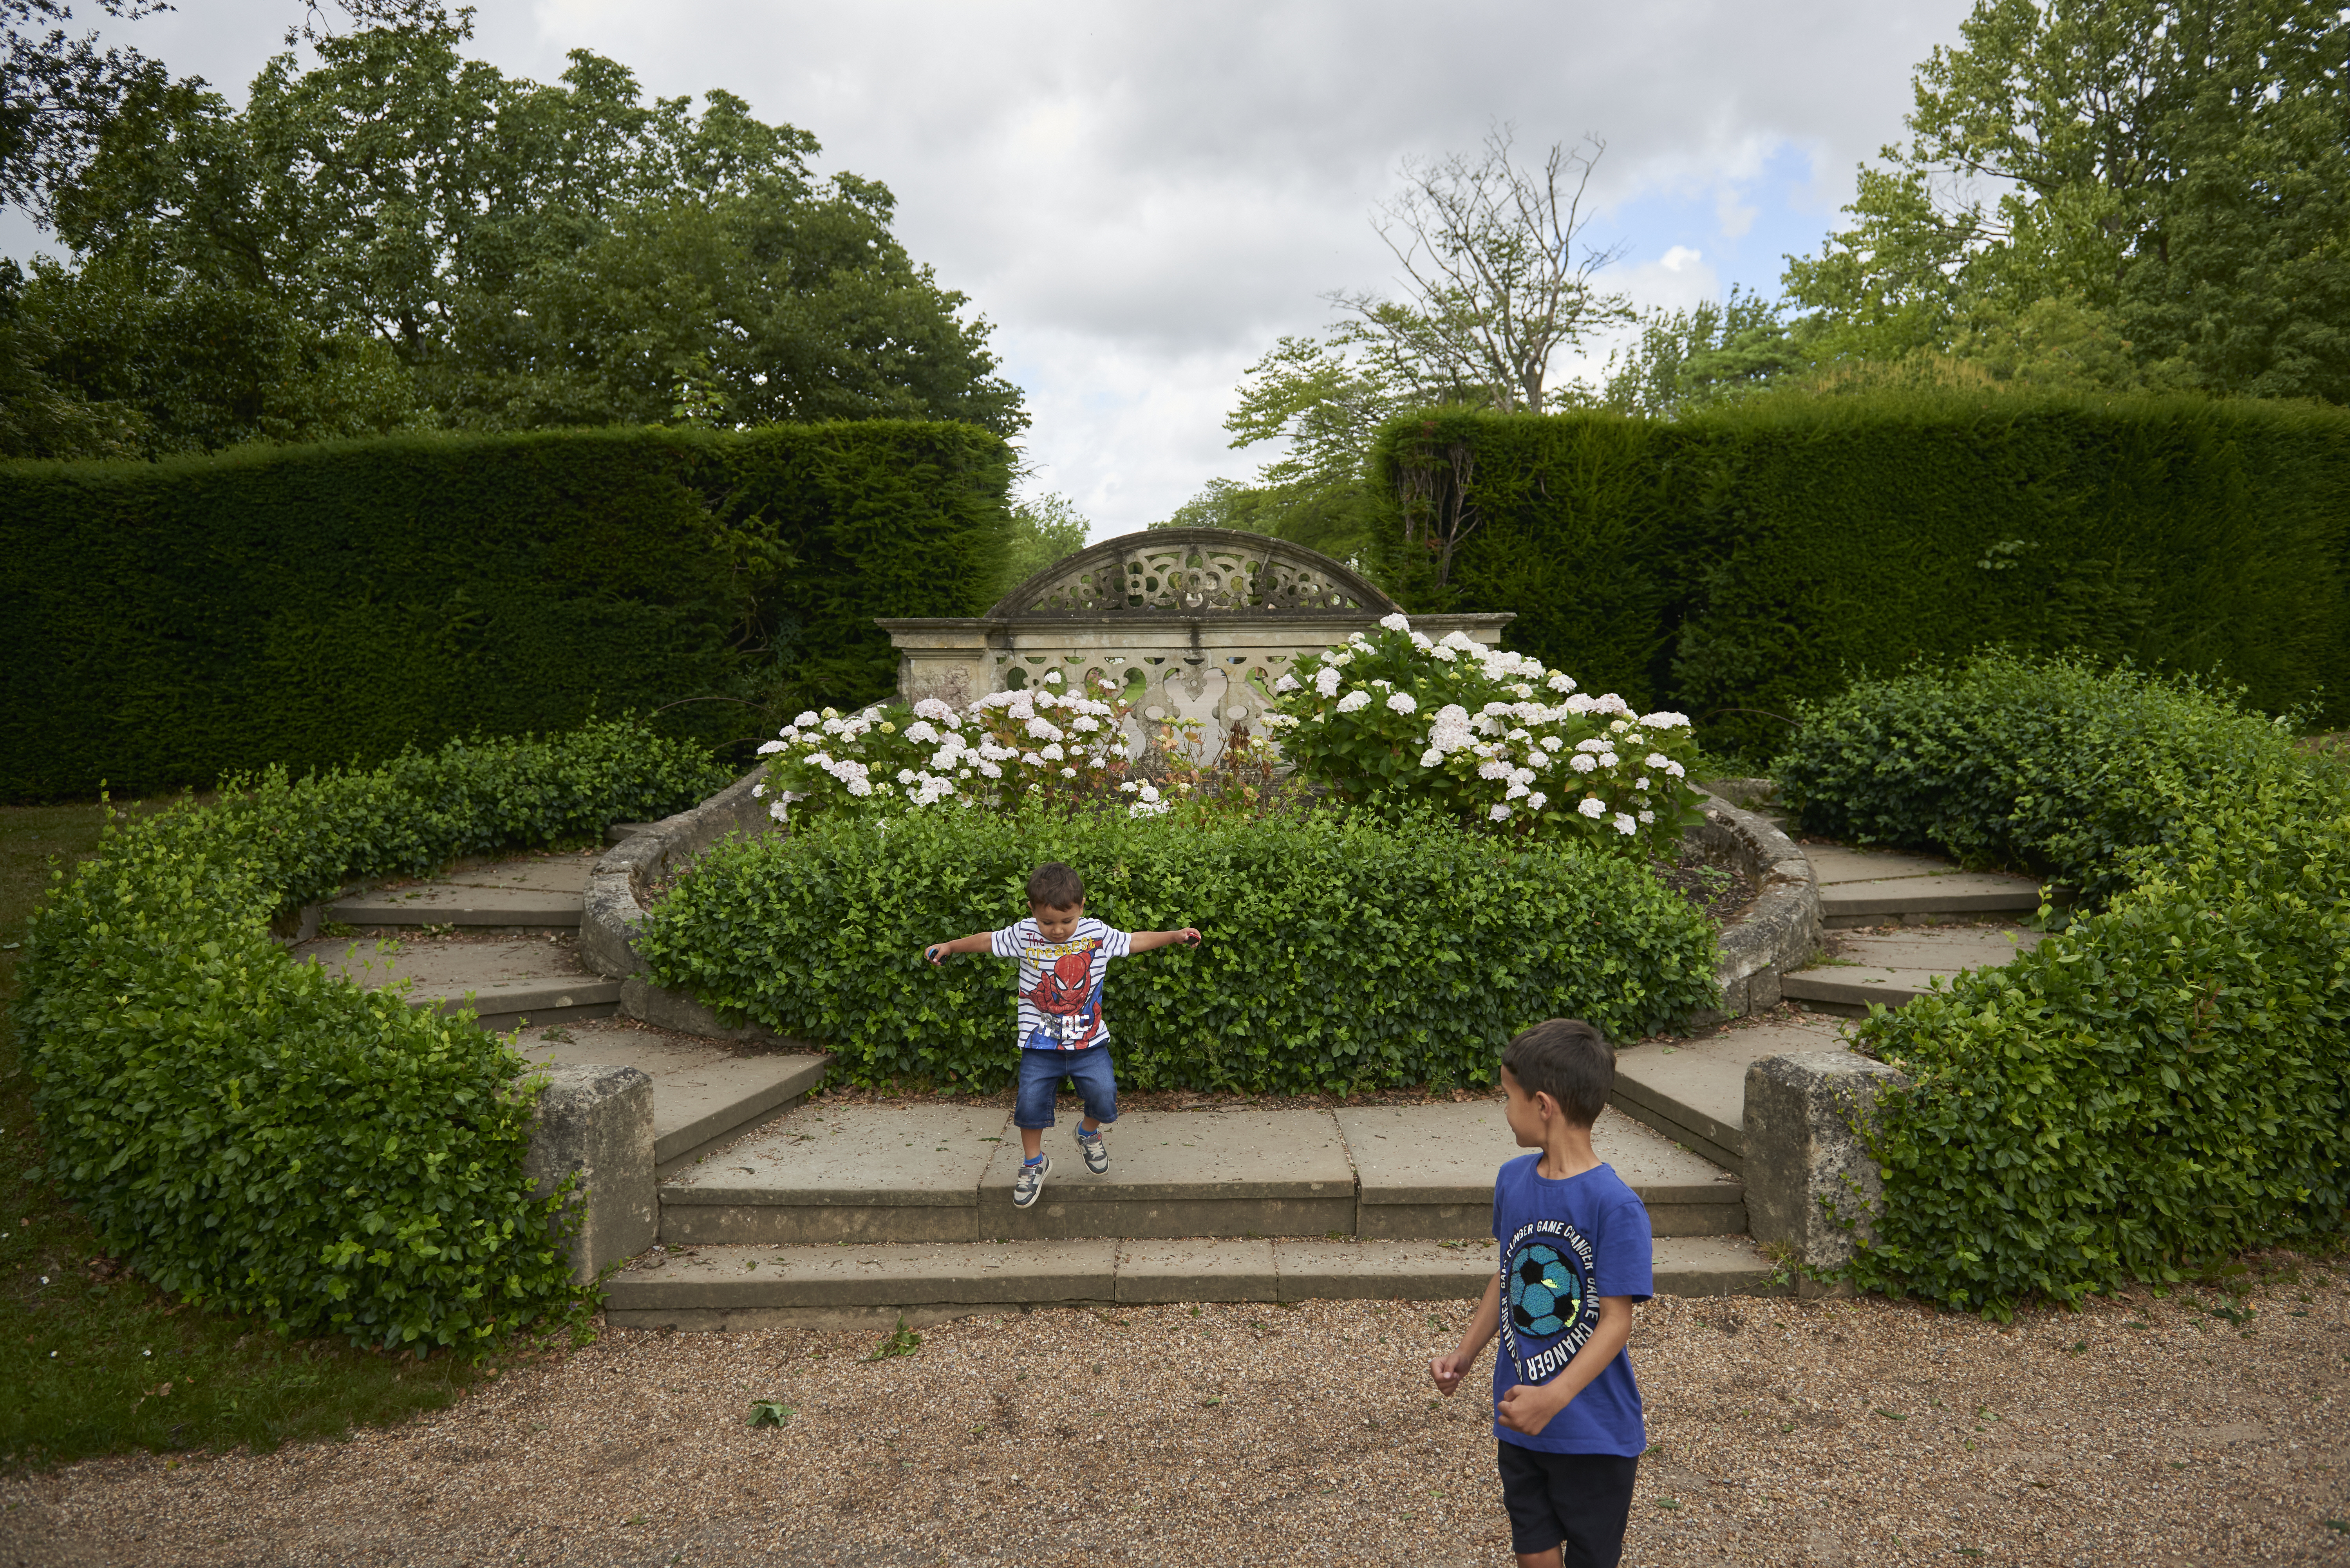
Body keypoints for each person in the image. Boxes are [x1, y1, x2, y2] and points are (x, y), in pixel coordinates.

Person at [1428, 1019, 1654, 1568]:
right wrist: (1466, 1352)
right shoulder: (1513, 1180)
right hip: (1518, 1417)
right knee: (1534, 1553)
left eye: (1509, 1096)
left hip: (1593, 1433)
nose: (1505, 1110)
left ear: (1544, 1105)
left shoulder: (1616, 1206)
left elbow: (1616, 1322)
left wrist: (1555, 1396)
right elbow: (1507, 1274)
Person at [922, 861, 1200, 1208]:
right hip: (1040, 1044)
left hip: (1089, 1042)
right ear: (1032, 911)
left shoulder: (1096, 934)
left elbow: (1133, 941)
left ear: (1082, 907)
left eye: (1066, 921)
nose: (1057, 930)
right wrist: (950, 945)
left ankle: (1087, 1132)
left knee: (1104, 1093)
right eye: (1048, 922)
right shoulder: (1025, 934)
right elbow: (987, 942)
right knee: (1029, 1102)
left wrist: (1174, 936)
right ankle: (1034, 1163)